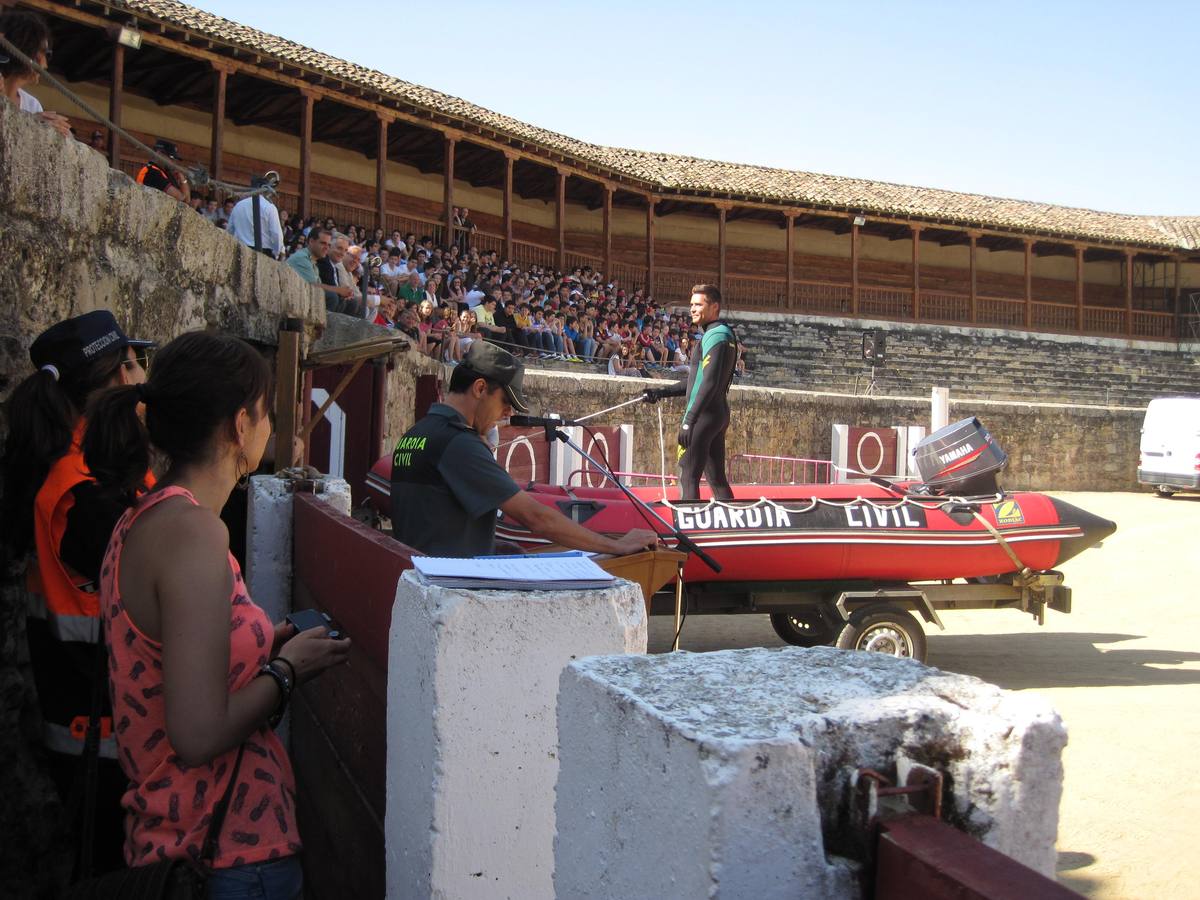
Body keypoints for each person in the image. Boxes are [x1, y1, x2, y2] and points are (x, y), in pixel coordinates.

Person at [81, 331, 350, 890]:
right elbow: (198, 733)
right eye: (265, 412)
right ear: (239, 424)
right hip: (221, 853)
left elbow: (174, 658)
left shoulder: (150, 518)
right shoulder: (194, 532)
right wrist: (289, 669)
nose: (271, 426)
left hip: (182, 840)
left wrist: (265, 645)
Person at [0, 311, 153, 874]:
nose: (144, 384)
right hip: (101, 745)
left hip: (100, 736)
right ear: (110, 387)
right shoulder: (78, 495)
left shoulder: (93, 474)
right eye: (134, 366)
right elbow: (166, 564)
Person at [390, 342, 658, 558]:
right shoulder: (459, 443)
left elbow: (433, 523)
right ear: (480, 388)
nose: (507, 413)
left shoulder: (416, 434)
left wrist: (494, 546)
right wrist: (616, 546)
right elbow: (535, 517)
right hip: (449, 589)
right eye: (506, 401)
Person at [643, 284, 737, 502]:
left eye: (699, 304)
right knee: (716, 479)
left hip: (702, 416)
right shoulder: (724, 334)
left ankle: (687, 532)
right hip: (717, 414)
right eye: (692, 304)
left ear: (714, 307)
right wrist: (660, 392)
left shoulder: (715, 335)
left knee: (687, 475)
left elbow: (709, 382)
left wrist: (689, 420)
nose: (693, 309)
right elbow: (697, 382)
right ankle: (731, 528)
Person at [0, 10, 71, 137]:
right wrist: (30, 122)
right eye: (44, 53)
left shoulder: (32, 104)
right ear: (23, 47)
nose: (45, 64)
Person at [227, 188, 284, 258]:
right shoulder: (269, 207)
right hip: (263, 251)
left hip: (240, 249)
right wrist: (277, 252)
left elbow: (230, 229)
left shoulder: (238, 205)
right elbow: (276, 233)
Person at [135, 139, 190, 204]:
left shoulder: (166, 172)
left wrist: (183, 180)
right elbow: (180, 198)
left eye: (175, 159)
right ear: (159, 153)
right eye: (171, 157)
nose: (173, 162)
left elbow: (187, 201)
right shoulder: (152, 171)